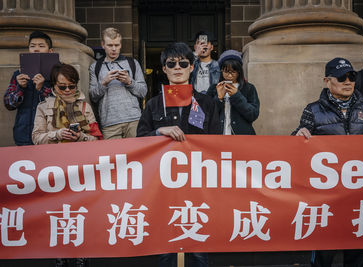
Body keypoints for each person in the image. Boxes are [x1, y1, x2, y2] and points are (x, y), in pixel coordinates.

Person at [292, 57, 363, 267]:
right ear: (327, 81)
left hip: (356, 195)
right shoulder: (312, 110)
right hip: (326, 199)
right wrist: (297, 134)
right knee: (324, 255)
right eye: (342, 77)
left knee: (355, 255)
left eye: (352, 77)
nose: (348, 81)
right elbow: (298, 141)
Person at [137, 42, 220, 267]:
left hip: (197, 184)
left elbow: (216, 142)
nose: (177, 68)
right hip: (163, 186)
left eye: (183, 63)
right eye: (171, 64)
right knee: (166, 244)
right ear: (164, 69)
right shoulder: (154, 105)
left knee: (199, 244)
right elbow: (139, 140)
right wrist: (158, 131)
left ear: (191, 67)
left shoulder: (207, 104)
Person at [89, 27, 147, 139]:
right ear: (103, 45)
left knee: (137, 155)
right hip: (109, 123)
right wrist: (104, 82)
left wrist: (129, 81)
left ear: (121, 45)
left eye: (117, 45)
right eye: (110, 45)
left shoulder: (133, 63)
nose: (114, 49)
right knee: (112, 156)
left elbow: (143, 92)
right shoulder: (95, 67)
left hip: (133, 120)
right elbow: (93, 96)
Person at [3, 30, 54, 146]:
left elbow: (60, 102)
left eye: (41, 46)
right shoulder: (18, 74)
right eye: (32, 46)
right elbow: (9, 104)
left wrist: (41, 89)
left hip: (48, 135)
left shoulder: (56, 74)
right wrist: (20, 88)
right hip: (23, 134)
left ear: (50, 51)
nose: (36, 49)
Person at [32, 63, 102, 145]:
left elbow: (96, 139)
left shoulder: (85, 106)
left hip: (79, 154)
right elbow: (36, 138)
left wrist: (80, 137)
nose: (67, 90)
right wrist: (57, 135)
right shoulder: (43, 107)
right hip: (54, 154)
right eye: (62, 87)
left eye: (72, 86)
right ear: (54, 85)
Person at [207, 49, 260, 134]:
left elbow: (253, 115)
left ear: (239, 71)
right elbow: (207, 115)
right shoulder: (214, 89)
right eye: (226, 71)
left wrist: (237, 96)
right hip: (218, 136)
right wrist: (219, 99)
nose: (230, 75)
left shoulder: (249, 88)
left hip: (242, 138)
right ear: (221, 70)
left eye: (233, 71)